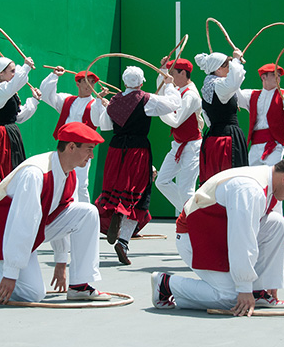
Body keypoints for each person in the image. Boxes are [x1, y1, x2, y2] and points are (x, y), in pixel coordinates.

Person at [150, 152, 284, 316]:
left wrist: (269, 280)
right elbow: (242, 239)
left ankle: (259, 290)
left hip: (217, 233)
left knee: (277, 223)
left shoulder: (267, 181)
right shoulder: (250, 190)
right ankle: (167, 284)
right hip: (195, 236)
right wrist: (244, 287)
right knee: (232, 298)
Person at [0, 122, 110, 304]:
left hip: (32, 228)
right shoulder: (35, 173)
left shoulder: (68, 172)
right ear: (71, 147)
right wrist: (11, 273)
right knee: (33, 293)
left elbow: (60, 214)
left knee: (87, 213)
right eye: (89, 149)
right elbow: (22, 222)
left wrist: (61, 260)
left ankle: (79, 285)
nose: (92, 156)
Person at [95, 66, 181, 265]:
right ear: (141, 82)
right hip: (137, 150)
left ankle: (116, 212)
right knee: (138, 194)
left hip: (116, 149)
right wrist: (169, 86)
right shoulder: (146, 99)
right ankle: (123, 241)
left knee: (116, 190)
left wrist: (107, 106)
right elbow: (174, 104)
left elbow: (105, 126)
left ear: (125, 82)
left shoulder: (115, 101)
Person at [0, 56, 42, 201]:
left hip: (10, 135)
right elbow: (15, 84)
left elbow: (18, 117)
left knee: (13, 172)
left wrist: (34, 100)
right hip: (0, 138)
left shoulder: (6, 91)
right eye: (12, 71)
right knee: (4, 173)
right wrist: (26, 67)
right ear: (1, 74)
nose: (14, 74)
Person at [39, 66, 109, 203]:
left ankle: (85, 217)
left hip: (83, 148)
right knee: (59, 179)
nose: (90, 85)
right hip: (64, 146)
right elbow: (46, 95)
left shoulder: (95, 103)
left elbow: (97, 120)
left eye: (92, 82)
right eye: (86, 81)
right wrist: (55, 76)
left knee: (81, 183)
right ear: (78, 83)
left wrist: (101, 100)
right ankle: (58, 212)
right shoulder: (67, 100)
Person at [237, 63, 284, 214]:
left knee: (274, 181)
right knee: (252, 182)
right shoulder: (252, 95)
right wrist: (236, 65)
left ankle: (275, 219)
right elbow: (234, 92)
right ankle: (254, 216)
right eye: (274, 75)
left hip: (274, 145)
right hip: (256, 145)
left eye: (280, 75)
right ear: (264, 77)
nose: (279, 78)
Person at [154, 57, 204, 213]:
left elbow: (176, 121)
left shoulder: (191, 95)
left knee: (186, 189)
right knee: (161, 181)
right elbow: (163, 90)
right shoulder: (177, 90)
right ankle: (188, 211)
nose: (169, 76)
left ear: (183, 73)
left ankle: (191, 218)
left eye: (172, 73)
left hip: (192, 146)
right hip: (178, 145)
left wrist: (159, 110)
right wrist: (162, 68)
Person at [195, 49, 247, 184]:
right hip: (226, 141)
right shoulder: (219, 86)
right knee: (230, 181)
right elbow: (235, 81)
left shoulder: (209, 86)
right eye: (227, 66)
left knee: (215, 181)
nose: (230, 69)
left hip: (213, 139)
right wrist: (236, 60)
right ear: (218, 69)